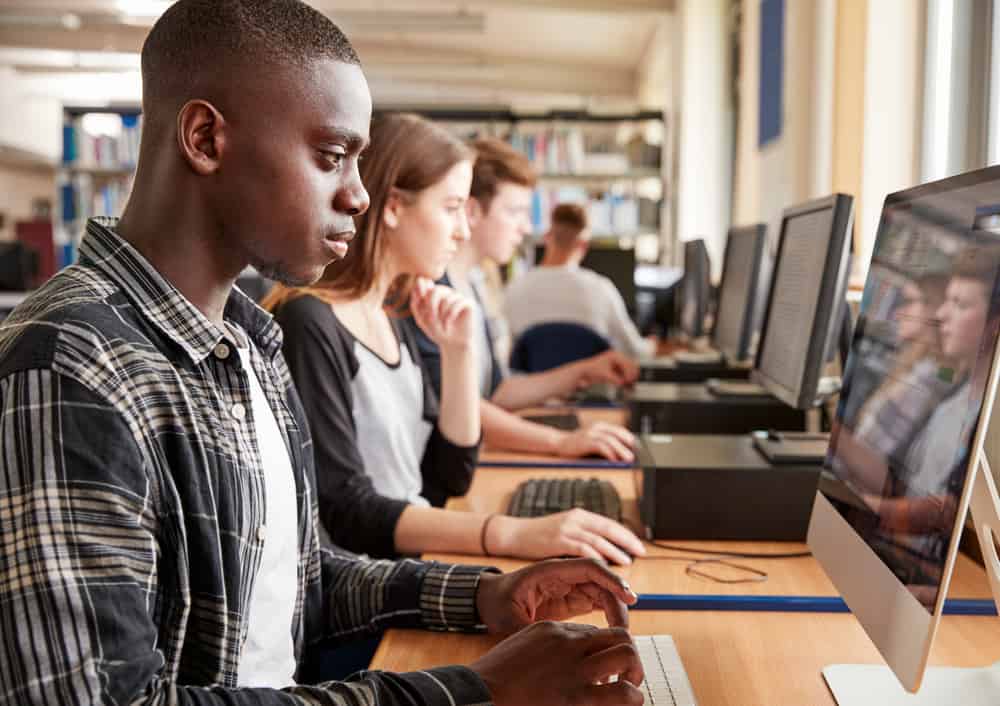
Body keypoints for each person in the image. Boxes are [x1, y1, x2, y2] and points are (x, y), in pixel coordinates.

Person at [0, 3, 646, 704]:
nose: (361, 195)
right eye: (331, 156)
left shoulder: (252, 343)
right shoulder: (70, 363)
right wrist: (469, 693)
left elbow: (305, 579)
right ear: (206, 138)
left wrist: (487, 595)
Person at [262, 113, 644, 566]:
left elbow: (449, 478)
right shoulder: (310, 322)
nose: (462, 230)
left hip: (407, 567)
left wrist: (459, 352)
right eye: (450, 208)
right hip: (359, 594)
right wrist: (509, 533)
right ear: (394, 208)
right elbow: (347, 512)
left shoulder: (394, 314)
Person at [407, 138, 640, 462]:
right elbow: (458, 404)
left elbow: (498, 393)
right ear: (472, 210)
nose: (526, 227)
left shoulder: (474, 283)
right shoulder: (429, 292)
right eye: (515, 212)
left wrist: (583, 370)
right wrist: (560, 442)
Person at [504, 203, 655, 358]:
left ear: (547, 237)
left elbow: (506, 353)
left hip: (529, 382)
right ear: (583, 245)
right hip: (590, 382)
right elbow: (634, 351)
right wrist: (653, 345)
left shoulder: (514, 290)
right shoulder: (601, 289)